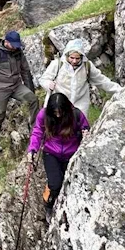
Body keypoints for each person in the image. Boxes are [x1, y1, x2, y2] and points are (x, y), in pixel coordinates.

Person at [28, 92, 89, 220]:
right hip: (51, 152)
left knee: (70, 184)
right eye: (55, 112)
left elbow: (85, 127)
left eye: (60, 111)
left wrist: (86, 134)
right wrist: (32, 150)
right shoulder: (43, 115)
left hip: (72, 153)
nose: (58, 115)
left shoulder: (76, 115)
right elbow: (38, 132)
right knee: (55, 184)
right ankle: (48, 204)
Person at [0, 31, 39, 153]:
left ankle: (35, 130)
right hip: (0, 89)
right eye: (13, 44)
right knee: (0, 115)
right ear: (6, 42)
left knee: (33, 100)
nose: (16, 47)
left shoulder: (18, 52)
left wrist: (30, 89)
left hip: (16, 86)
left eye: (17, 45)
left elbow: (25, 71)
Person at [39, 39, 122, 119]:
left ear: (82, 57)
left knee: (78, 132)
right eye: (72, 58)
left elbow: (102, 81)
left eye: (77, 58)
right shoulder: (57, 64)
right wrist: (48, 84)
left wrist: (120, 90)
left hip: (79, 108)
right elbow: (43, 79)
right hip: (58, 107)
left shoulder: (87, 66)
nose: (74, 61)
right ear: (67, 55)